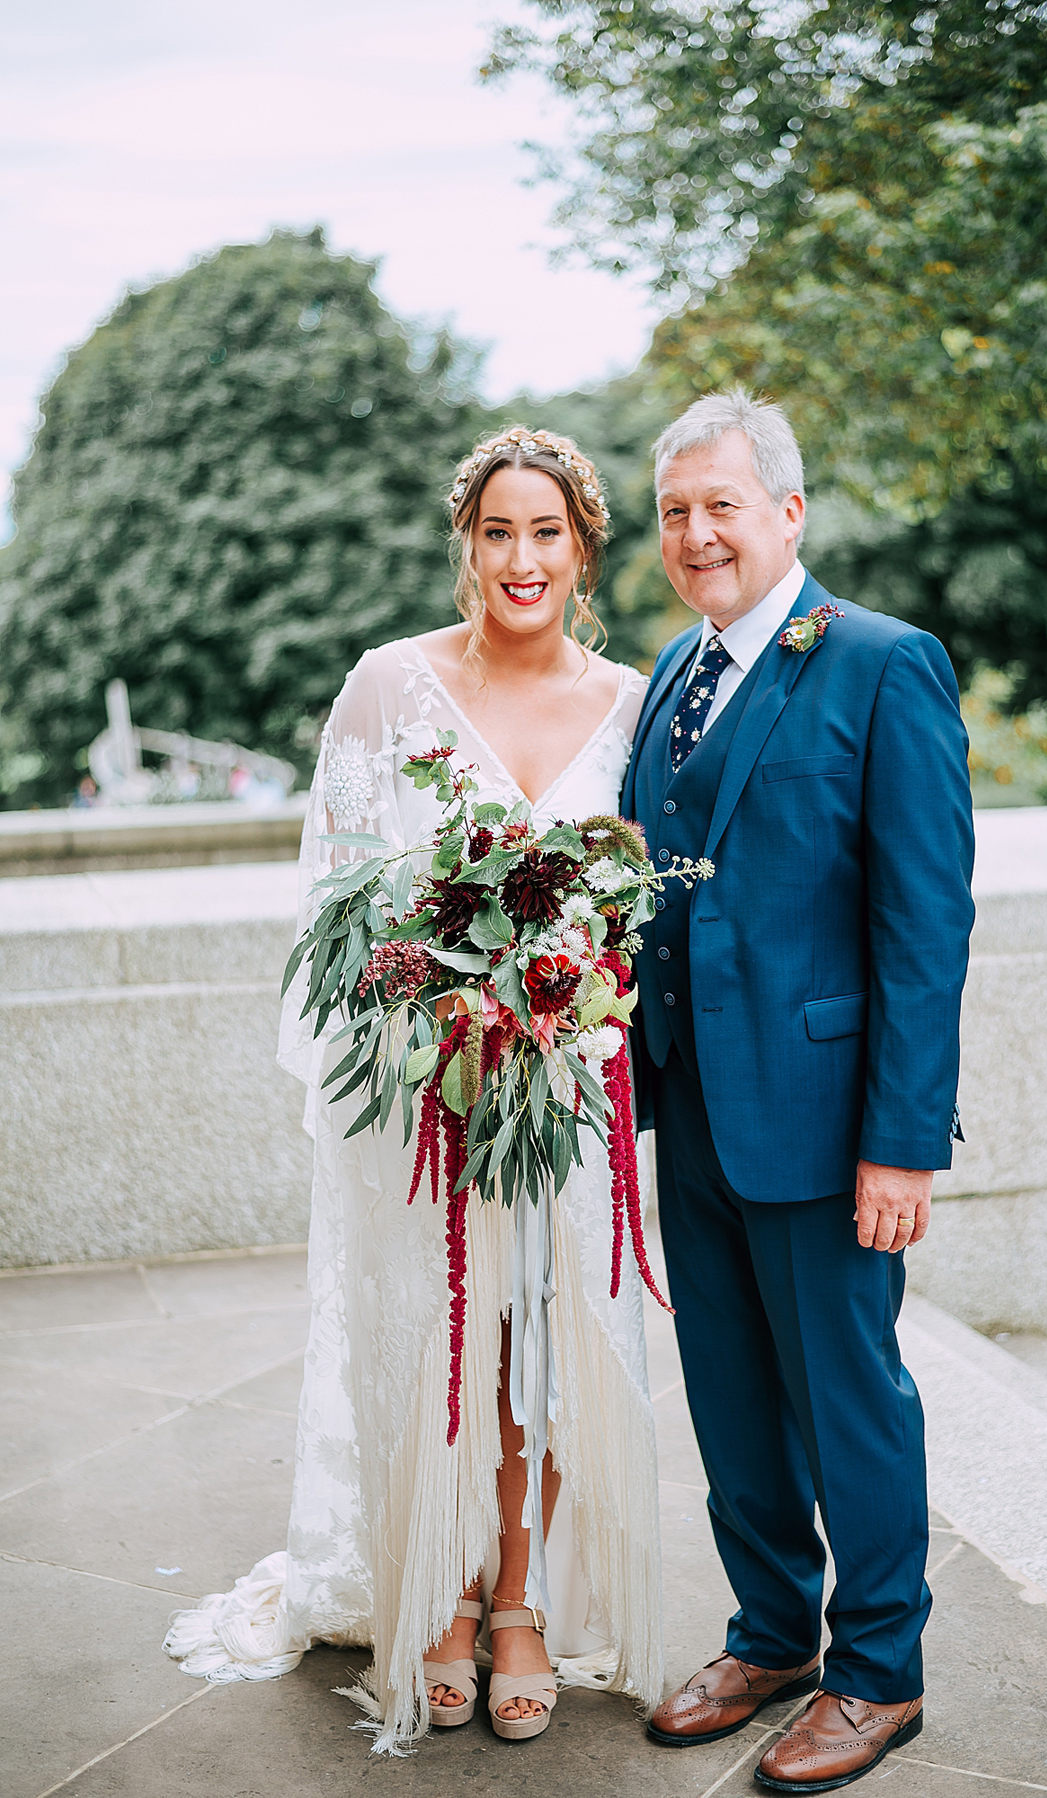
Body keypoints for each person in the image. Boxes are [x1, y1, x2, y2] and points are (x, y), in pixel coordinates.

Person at [164, 427, 663, 1752]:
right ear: (466, 544)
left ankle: (520, 1601)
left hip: (567, 1087)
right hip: (426, 1094)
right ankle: (438, 1592)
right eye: (497, 532)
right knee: (444, 1338)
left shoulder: (634, 701)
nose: (520, 558)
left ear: (583, 546)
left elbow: (651, 910)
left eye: (545, 533)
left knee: (544, 1348)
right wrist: (439, 1011)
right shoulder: (388, 689)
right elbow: (335, 899)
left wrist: (566, 1003)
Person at [622, 390, 974, 1792]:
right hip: (690, 1104)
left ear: (787, 512)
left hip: (829, 1124)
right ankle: (769, 1629)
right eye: (675, 514)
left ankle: (880, 1667)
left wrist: (902, 1141)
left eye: (722, 504)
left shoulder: (886, 666)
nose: (698, 534)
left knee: (847, 1397)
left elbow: (923, 925)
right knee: (730, 1390)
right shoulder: (671, 673)